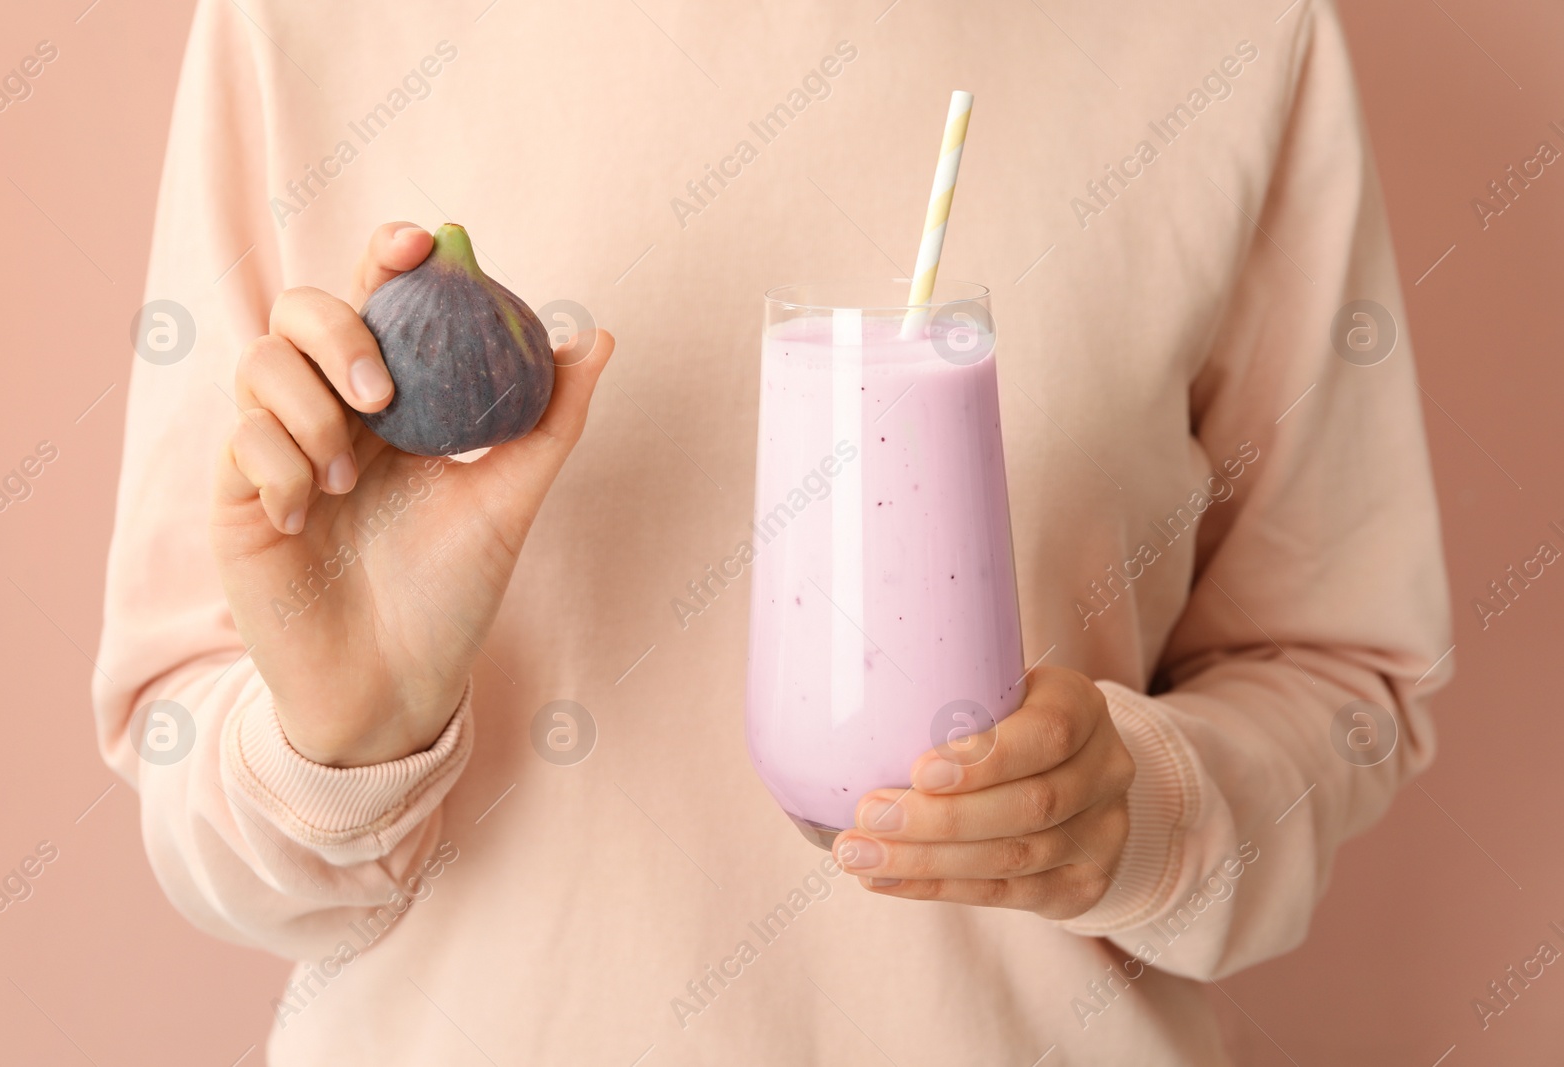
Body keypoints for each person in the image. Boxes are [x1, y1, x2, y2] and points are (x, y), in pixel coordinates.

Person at [94, 0, 1451, 1062]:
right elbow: (197, 795)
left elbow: (1347, 678)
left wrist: (1138, 816)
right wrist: (344, 735)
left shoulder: (1237, 33)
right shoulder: (301, 22)